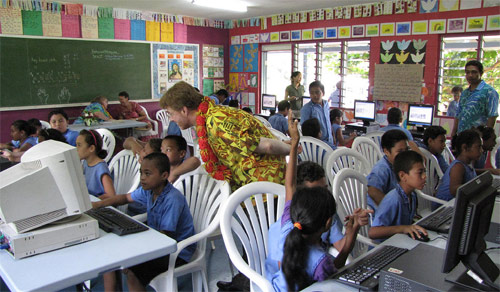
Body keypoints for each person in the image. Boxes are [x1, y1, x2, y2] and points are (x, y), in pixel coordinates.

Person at [91, 153, 195, 292]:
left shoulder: (172, 199)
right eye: (141, 173)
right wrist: (99, 204)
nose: (142, 178)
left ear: (164, 175)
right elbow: (125, 198)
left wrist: (137, 249)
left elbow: (166, 237)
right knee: (113, 255)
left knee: (133, 270)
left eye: (147, 173)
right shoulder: (150, 191)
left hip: (177, 251)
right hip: (157, 241)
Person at [159, 81, 290, 191]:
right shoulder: (208, 119)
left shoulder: (217, 122)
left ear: (184, 110)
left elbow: (267, 146)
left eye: (171, 113)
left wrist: (293, 148)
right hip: (249, 185)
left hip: (263, 189)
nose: (170, 119)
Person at [368, 150, 428, 241]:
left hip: (400, 242)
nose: (424, 176)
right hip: (384, 248)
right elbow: (373, 232)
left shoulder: (412, 195)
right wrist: (403, 228)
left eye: (425, 172)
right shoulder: (393, 199)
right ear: (403, 176)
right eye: (420, 173)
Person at [451, 60, 499, 137]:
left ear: (481, 73)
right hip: (462, 137)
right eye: (467, 72)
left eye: (474, 72)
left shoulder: (489, 92)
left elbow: (492, 116)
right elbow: (458, 114)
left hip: (478, 139)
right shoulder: (464, 93)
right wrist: (453, 134)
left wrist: (486, 138)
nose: (470, 75)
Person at [435, 129, 481, 207]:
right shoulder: (458, 167)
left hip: (455, 203)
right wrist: (477, 186)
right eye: (478, 147)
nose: (481, 150)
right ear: (465, 147)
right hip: (445, 206)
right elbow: (454, 190)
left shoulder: (467, 164)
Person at [367, 130, 409, 210]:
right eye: (400, 151)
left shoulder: (400, 164)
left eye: (406, 150)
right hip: (379, 212)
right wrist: (392, 209)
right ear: (386, 151)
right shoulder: (382, 169)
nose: (404, 154)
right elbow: (373, 191)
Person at [76, 129, 116, 199]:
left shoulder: (101, 168)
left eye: (79, 145)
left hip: (99, 205)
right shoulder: (85, 163)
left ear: (91, 148)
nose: (76, 148)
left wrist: (93, 201)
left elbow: (111, 195)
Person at [301, 81, 335, 148]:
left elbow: (328, 121)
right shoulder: (307, 108)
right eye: (311, 93)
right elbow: (305, 130)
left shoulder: (326, 104)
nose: (314, 95)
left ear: (323, 93)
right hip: (317, 145)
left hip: (330, 141)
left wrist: (333, 136)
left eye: (317, 92)